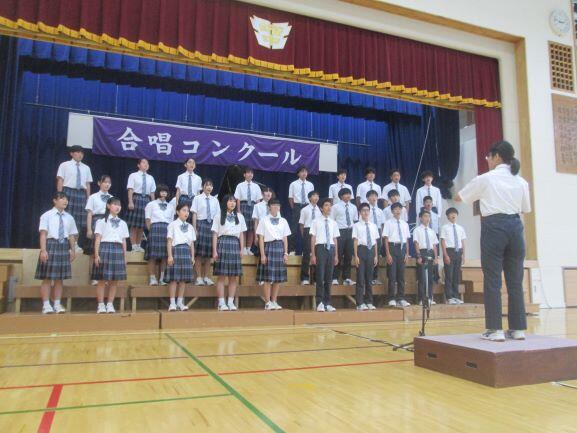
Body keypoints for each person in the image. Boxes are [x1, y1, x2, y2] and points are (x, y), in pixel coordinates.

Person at [455, 140, 531, 342]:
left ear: (497, 156)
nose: (487, 160)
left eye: (488, 157)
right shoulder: (521, 181)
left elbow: (459, 197)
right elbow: (525, 208)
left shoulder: (486, 178)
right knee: (515, 282)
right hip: (516, 228)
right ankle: (518, 329)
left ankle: (495, 329)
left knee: (492, 280)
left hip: (494, 227)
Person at [35, 191, 78, 314]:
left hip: (63, 246)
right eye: (62, 199)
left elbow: (71, 235)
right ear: (55, 200)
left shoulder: (69, 217)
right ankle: (46, 304)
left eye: (66, 199)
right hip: (51, 245)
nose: (65, 201)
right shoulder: (46, 215)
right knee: (47, 277)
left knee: (60, 278)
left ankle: (57, 304)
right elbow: (43, 234)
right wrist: (43, 250)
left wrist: (73, 250)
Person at [91, 197, 128, 314]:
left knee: (114, 280)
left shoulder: (123, 223)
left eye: (119, 205)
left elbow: (124, 241)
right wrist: (96, 255)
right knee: (102, 279)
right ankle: (101, 304)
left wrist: (124, 256)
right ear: (108, 206)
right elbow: (98, 239)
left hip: (118, 249)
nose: (117, 207)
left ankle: (110, 303)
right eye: (115, 204)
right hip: (105, 248)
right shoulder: (101, 221)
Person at [212, 194, 247, 311]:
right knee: (221, 276)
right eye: (230, 201)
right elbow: (215, 234)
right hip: (222, 243)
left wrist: (242, 249)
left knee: (233, 277)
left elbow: (241, 234)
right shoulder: (218, 216)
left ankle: (231, 302)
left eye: (234, 201)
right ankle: (221, 303)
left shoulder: (240, 216)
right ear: (225, 202)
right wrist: (214, 250)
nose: (232, 203)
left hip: (235, 244)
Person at [56, 145, 92, 252]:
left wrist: (88, 198)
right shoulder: (64, 165)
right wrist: (59, 195)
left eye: (82, 153)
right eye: (78, 152)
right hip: (68, 192)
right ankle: (64, 243)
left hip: (81, 194)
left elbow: (87, 184)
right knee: (65, 218)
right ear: (71, 153)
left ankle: (75, 244)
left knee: (79, 220)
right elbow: (60, 180)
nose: (80, 155)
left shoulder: (86, 168)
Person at [256, 199, 291, 310]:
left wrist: (286, 253)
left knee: (277, 278)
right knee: (267, 277)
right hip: (268, 247)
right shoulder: (263, 220)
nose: (276, 207)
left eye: (278, 205)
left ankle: (274, 301)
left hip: (279, 248)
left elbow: (285, 238)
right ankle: (267, 302)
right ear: (269, 207)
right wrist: (262, 254)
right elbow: (261, 238)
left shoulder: (283, 221)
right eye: (274, 205)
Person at [165, 203, 197, 312]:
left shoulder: (190, 227)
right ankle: (172, 303)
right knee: (174, 279)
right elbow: (169, 241)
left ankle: (180, 302)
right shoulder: (172, 225)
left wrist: (192, 257)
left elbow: (191, 243)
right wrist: (170, 256)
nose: (186, 213)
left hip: (186, 251)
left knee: (183, 279)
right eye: (184, 210)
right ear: (178, 212)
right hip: (176, 250)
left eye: (187, 211)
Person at [310, 198, 339, 312]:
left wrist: (336, 255)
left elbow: (335, 239)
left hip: (331, 248)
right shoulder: (316, 221)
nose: (329, 207)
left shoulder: (333, 222)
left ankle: (327, 302)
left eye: (330, 205)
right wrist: (313, 254)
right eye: (326, 205)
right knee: (320, 276)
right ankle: (319, 303)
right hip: (320, 247)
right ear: (321, 208)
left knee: (329, 277)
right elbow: (313, 238)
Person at [144, 185, 175, 286]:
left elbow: (172, 221)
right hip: (155, 229)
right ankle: (152, 278)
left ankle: (162, 278)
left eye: (165, 191)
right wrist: (151, 231)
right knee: (152, 256)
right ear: (158, 192)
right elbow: (148, 220)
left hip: (166, 229)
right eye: (162, 191)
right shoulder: (151, 204)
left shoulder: (170, 206)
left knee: (165, 256)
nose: (164, 193)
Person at [85, 175, 113, 285]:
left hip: (108, 222)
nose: (107, 184)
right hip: (96, 221)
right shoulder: (93, 197)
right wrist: (89, 229)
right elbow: (89, 213)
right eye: (105, 182)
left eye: (109, 182)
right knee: (94, 251)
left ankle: (103, 277)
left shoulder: (112, 198)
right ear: (99, 183)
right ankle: (93, 277)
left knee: (105, 250)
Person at [191, 178, 219, 286]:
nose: (209, 187)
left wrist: (217, 230)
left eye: (211, 185)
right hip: (201, 224)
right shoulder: (197, 198)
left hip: (212, 226)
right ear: (203, 187)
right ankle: (198, 277)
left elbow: (217, 216)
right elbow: (194, 214)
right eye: (207, 185)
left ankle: (206, 277)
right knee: (198, 254)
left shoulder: (215, 200)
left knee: (209, 254)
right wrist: (194, 228)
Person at [383, 203, 411, 307]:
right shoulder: (388, 223)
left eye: (400, 209)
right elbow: (386, 239)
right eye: (395, 209)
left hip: (402, 248)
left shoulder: (405, 224)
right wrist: (388, 254)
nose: (398, 211)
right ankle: (391, 298)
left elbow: (407, 240)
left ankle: (401, 298)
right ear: (392, 211)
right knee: (392, 275)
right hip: (392, 247)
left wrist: (407, 253)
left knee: (401, 276)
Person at [352, 203, 379, 311]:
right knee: (360, 278)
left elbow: (375, 242)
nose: (366, 212)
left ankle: (369, 301)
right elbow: (355, 241)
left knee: (369, 279)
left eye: (367, 210)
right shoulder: (356, 225)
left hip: (371, 251)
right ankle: (359, 303)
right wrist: (356, 256)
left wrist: (376, 255)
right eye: (363, 210)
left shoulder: (373, 225)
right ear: (360, 212)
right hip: (361, 250)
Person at [126, 158, 156, 252]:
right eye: (143, 162)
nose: (146, 164)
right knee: (134, 224)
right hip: (136, 198)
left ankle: (138, 245)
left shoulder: (151, 178)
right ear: (138, 165)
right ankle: (133, 245)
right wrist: (130, 201)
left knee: (142, 225)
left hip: (147, 200)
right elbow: (130, 189)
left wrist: (154, 205)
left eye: (147, 163)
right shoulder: (133, 175)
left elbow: (152, 193)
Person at [330, 188, 358, 285]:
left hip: (350, 231)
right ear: (341, 196)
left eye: (349, 194)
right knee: (338, 254)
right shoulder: (335, 207)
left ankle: (347, 278)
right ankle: (334, 277)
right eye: (346, 194)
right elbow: (332, 221)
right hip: (339, 232)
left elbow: (355, 220)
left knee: (348, 256)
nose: (348, 196)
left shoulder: (353, 207)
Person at [440, 208, 467, 305]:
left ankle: (456, 296)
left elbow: (462, 242)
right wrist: (445, 255)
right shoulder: (445, 227)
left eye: (455, 213)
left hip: (458, 252)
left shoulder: (460, 228)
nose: (453, 215)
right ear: (448, 216)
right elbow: (442, 241)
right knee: (449, 275)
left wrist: (463, 255)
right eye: (451, 214)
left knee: (456, 276)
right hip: (449, 251)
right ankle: (449, 297)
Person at [413, 210, 439, 306]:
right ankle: (422, 299)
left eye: (428, 216)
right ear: (420, 218)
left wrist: (436, 257)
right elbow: (416, 243)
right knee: (422, 278)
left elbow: (434, 245)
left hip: (430, 253)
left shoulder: (432, 231)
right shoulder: (417, 230)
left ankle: (430, 297)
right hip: (422, 252)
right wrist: (419, 256)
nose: (427, 218)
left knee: (430, 278)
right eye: (425, 216)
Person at [234, 166, 262, 255]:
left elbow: (258, 200)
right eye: (248, 173)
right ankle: (243, 248)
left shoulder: (256, 186)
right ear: (244, 174)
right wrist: (238, 211)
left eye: (251, 173)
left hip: (253, 207)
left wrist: (258, 211)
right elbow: (238, 199)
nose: (250, 174)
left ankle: (249, 248)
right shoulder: (240, 185)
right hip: (243, 206)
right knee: (243, 228)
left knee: (251, 228)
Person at [288, 166, 314, 254]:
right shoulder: (293, 184)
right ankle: (292, 249)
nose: (304, 173)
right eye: (302, 171)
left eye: (305, 171)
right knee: (294, 228)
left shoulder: (310, 184)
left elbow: (312, 197)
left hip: (307, 206)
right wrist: (294, 208)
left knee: (307, 228)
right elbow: (290, 198)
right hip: (297, 206)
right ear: (298, 173)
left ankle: (308, 250)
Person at [299, 191, 319, 285]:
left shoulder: (320, 210)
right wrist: (304, 235)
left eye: (317, 196)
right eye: (314, 196)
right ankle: (304, 278)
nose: (316, 197)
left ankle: (315, 279)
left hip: (317, 233)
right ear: (310, 198)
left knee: (317, 255)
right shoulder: (305, 209)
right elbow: (301, 224)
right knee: (306, 255)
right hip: (308, 231)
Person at [367, 190, 384, 284]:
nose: (373, 198)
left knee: (376, 255)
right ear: (367, 198)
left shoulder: (380, 211)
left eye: (375, 196)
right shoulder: (365, 210)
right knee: (369, 254)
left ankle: (374, 277)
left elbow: (382, 225)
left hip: (378, 231)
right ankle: (368, 277)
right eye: (371, 196)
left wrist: (382, 236)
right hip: (369, 231)